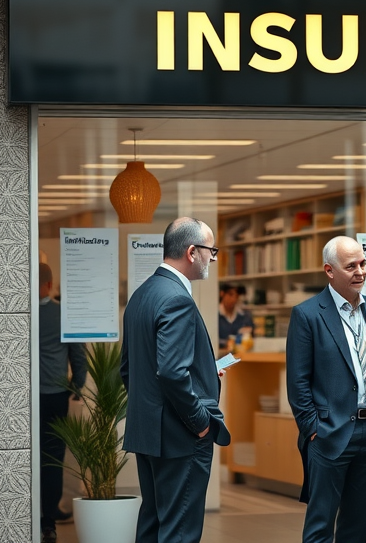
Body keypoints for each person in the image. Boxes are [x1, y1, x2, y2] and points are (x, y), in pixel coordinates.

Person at [286, 235, 366, 543]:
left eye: (363, 264)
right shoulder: (308, 314)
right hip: (329, 433)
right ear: (330, 271)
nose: (360, 272)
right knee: (320, 526)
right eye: (351, 266)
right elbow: (298, 381)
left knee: (357, 526)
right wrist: (313, 428)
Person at [120, 217, 231, 543]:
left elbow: (129, 369)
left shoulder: (142, 294)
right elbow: (170, 372)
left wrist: (203, 374)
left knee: (154, 526)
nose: (213, 258)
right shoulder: (177, 299)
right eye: (211, 250)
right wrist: (200, 423)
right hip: (180, 437)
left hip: (149, 433)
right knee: (179, 532)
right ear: (192, 252)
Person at [38, 262, 87, 543]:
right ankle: (49, 521)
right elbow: (78, 356)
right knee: (53, 457)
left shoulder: (22, 314)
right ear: (49, 284)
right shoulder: (64, 314)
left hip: (25, 399)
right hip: (56, 396)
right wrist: (76, 386)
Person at [218, 283, 254, 351]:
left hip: (240, 355)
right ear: (222, 294)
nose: (233, 299)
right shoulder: (215, 316)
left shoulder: (245, 317)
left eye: (236, 296)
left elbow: (251, 339)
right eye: (230, 295)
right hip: (219, 355)